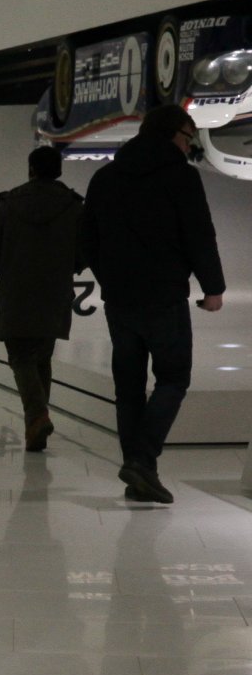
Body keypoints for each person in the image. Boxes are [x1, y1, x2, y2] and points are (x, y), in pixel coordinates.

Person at [79, 104, 225, 504]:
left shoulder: (105, 177)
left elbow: (87, 238)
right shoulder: (181, 177)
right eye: (188, 137)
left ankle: (138, 471)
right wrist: (213, 287)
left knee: (128, 388)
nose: (189, 146)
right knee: (173, 378)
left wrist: (109, 278)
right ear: (172, 134)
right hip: (163, 296)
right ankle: (142, 462)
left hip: (119, 300)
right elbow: (199, 234)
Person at [0, 145, 84, 452]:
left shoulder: (8, 205)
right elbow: (86, 248)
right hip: (55, 293)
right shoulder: (74, 206)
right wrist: (69, 266)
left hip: (16, 292)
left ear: (31, 169)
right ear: (58, 170)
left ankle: (37, 417)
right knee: (42, 357)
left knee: (20, 356)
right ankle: (36, 428)